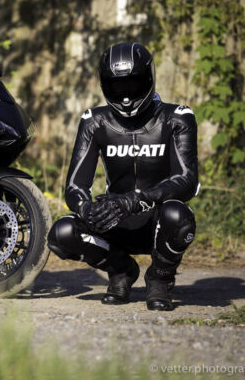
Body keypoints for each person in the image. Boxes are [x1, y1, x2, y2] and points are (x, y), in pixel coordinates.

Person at [48, 43, 199, 311]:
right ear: (105, 85)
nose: (126, 96)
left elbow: (187, 181)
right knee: (62, 233)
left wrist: (135, 200)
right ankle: (121, 271)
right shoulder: (94, 121)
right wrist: (86, 209)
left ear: (149, 79)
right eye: (117, 87)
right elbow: (74, 186)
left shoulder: (177, 118)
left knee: (180, 216)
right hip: (114, 221)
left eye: (133, 84)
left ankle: (160, 279)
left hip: (158, 221)